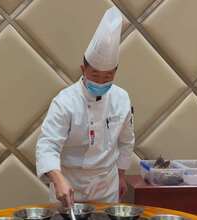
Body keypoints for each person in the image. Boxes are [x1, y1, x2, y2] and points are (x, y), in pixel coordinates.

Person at [36, 7, 135, 207]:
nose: (101, 82)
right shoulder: (65, 102)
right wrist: (57, 179)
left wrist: (121, 175)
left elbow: (126, 142)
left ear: (115, 72)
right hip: (69, 187)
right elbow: (47, 145)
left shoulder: (121, 99)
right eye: (95, 75)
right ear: (83, 69)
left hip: (106, 187)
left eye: (107, 76)